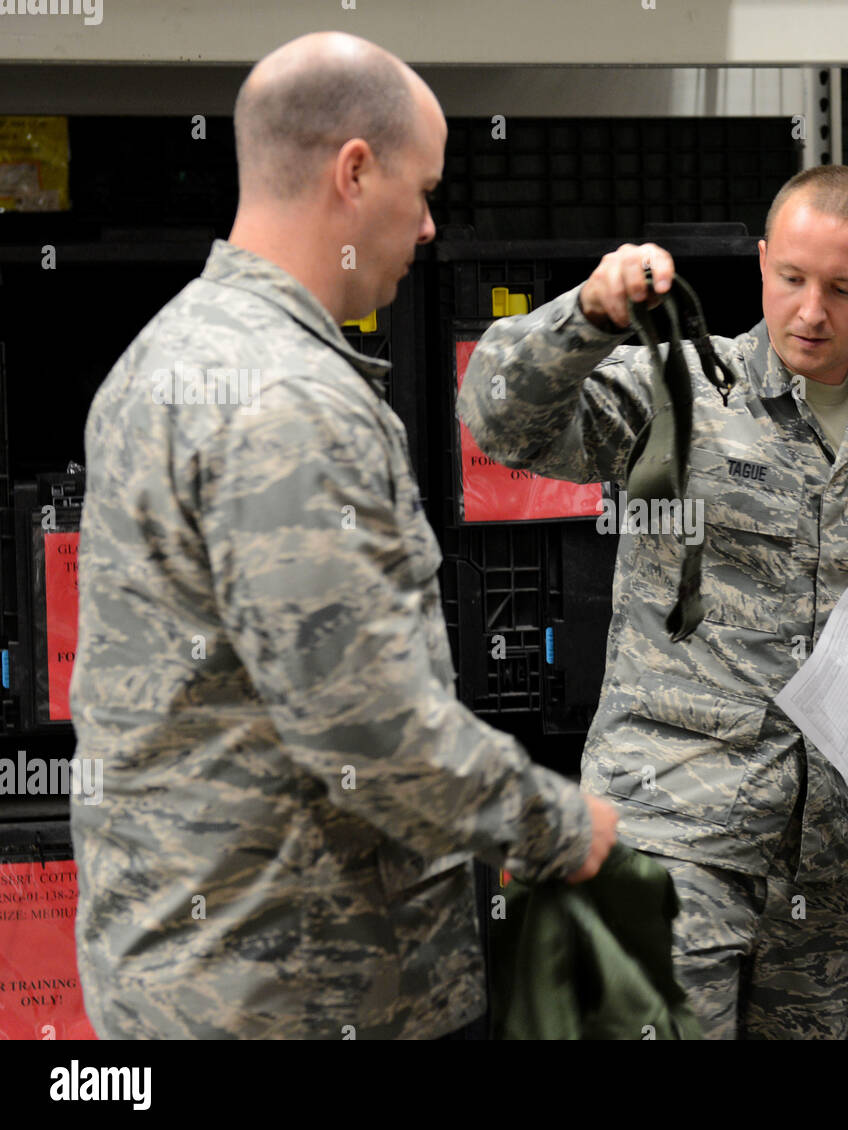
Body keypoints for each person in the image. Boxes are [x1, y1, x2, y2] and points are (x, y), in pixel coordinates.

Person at [68, 31, 616, 1040]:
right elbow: (367, 725)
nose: (430, 225)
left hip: (188, 976)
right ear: (354, 171)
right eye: (423, 187)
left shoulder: (166, 356)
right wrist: (569, 828)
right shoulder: (289, 404)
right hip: (297, 992)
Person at [459, 165, 848, 1039]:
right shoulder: (682, 391)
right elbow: (499, 418)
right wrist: (586, 314)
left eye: (844, 290)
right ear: (765, 261)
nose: (812, 312)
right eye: (792, 279)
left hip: (823, 862)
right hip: (673, 836)